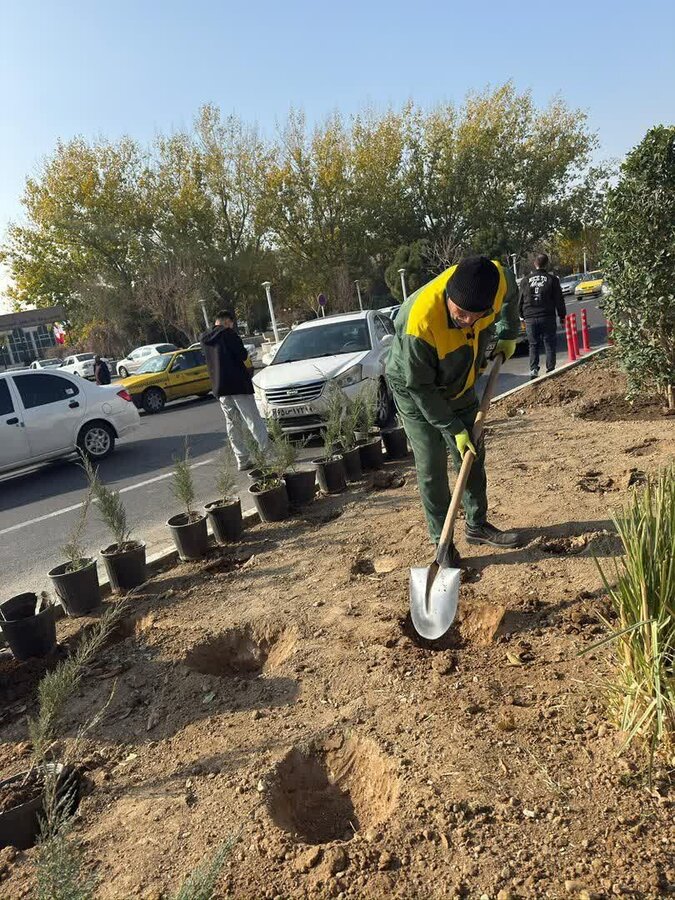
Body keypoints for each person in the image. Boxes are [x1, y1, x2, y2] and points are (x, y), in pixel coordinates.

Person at [385, 255, 521, 561]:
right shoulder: (418, 324)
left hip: (459, 377)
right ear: (448, 295)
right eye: (460, 315)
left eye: (476, 316)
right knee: (432, 463)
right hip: (415, 388)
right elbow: (420, 387)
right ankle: (442, 542)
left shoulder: (497, 280)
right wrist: (454, 428)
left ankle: (476, 524)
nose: (467, 322)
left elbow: (512, 295)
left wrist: (509, 332)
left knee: (472, 453)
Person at [201, 310, 270, 471]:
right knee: (253, 420)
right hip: (238, 385)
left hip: (221, 386)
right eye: (231, 323)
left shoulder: (204, 338)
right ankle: (267, 454)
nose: (231, 326)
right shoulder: (229, 334)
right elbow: (242, 355)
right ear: (227, 321)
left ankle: (242, 459)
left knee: (232, 424)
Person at [518, 253, 566, 379]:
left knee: (533, 344)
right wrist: (562, 316)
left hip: (530, 317)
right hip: (547, 316)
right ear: (547, 264)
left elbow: (520, 300)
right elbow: (559, 300)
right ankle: (550, 370)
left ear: (535, 263)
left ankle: (534, 369)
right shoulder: (552, 280)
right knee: (549, 343)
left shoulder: (525, 280)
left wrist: (521, 316)